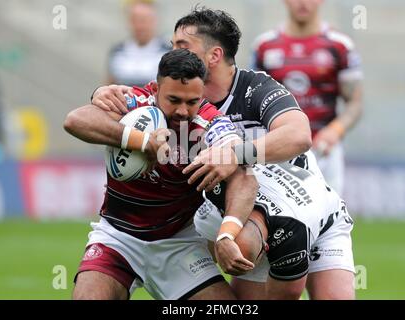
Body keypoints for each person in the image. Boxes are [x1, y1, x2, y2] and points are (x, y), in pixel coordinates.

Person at [90, 7, 318, 299]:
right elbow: (78, 120)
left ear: (214, 56)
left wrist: (235, 155)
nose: (170, 51)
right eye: (172, 45)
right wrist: (106, 101)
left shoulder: (248, 94)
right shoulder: (155, 95)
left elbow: (298, 136)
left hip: (292, 202)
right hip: (127, 232)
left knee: (247, 249)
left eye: (181, 46)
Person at [63, 49, 258, 300]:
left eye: (192, 102)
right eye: (174, 100)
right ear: (155, 89)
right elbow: (75, 120)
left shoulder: (210, 123)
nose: (182, 111)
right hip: (118, 237)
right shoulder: (135, 102)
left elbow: (244, 177)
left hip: (178, 245)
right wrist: (144, 142)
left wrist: (227, 234)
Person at [252, 0, 363, 195]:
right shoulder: (264, 46)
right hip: (280, 148)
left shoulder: (340, 45)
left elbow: (354, 103)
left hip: (325, 147)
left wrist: (335, 131)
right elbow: (252, 100)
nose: (303, 3)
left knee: (330, 220)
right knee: (280, 219)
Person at [199, 162, 356, 300]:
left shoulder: (293, 233)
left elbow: (285, 295)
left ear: (263, 253)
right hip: (280, 199)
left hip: (325, 222)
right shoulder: (219, 188)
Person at [107, 0, 170, 87]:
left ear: (154, 21)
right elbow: (109, 86)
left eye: (144, 20)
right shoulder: (117, 51)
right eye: (135, 20)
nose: (139, 26)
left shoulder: (168, 51)